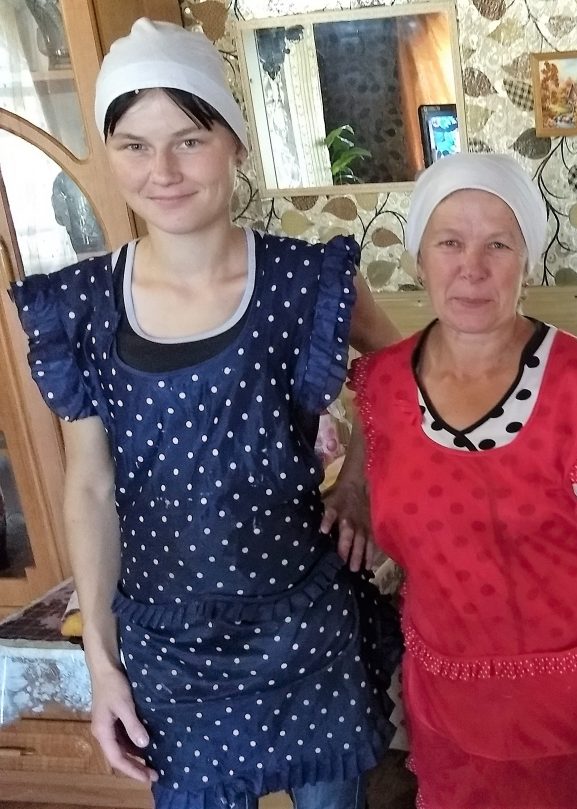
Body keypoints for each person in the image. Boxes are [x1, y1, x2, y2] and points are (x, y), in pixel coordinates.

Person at [7, 19, 402, 809]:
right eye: (133, 145)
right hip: (167, 646)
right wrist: (102, 661)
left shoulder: (305, 280)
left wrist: (359, 473)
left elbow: (398, 376)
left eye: (189, 139)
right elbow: (88, 488)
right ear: (111, 153)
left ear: (234, 144)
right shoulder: (80, 305)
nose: (162, 170)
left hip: (303, 628)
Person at [339, 153, 577, 808]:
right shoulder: (378, 388)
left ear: (528, 259)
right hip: (446, 708)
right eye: (450, 243)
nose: (473, 267)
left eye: (499, 243)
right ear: (419, 258)